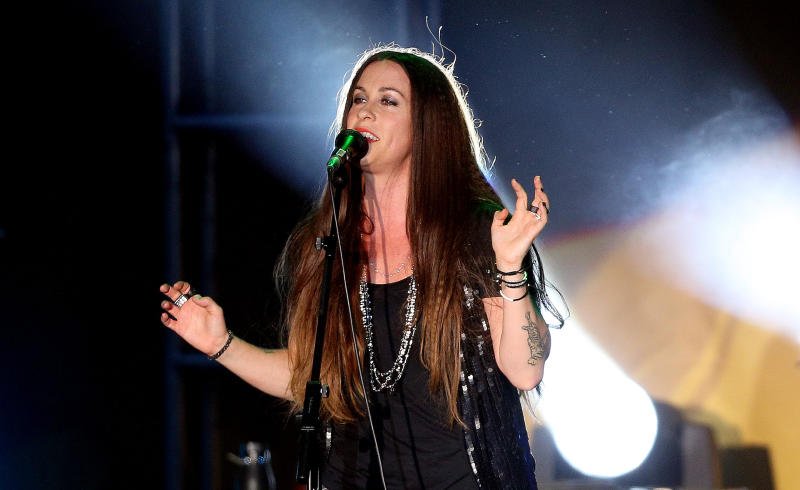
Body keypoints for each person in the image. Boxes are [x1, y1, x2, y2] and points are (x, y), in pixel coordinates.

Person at [160, 44, 565, 489]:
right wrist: (222, 344)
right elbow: (313, 377)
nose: (365, 112)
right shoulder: (330, 241)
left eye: (388, 101)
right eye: (358, 99)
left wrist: (510, 268)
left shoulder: (475, 233)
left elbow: (525, 369)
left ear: (427, 126)